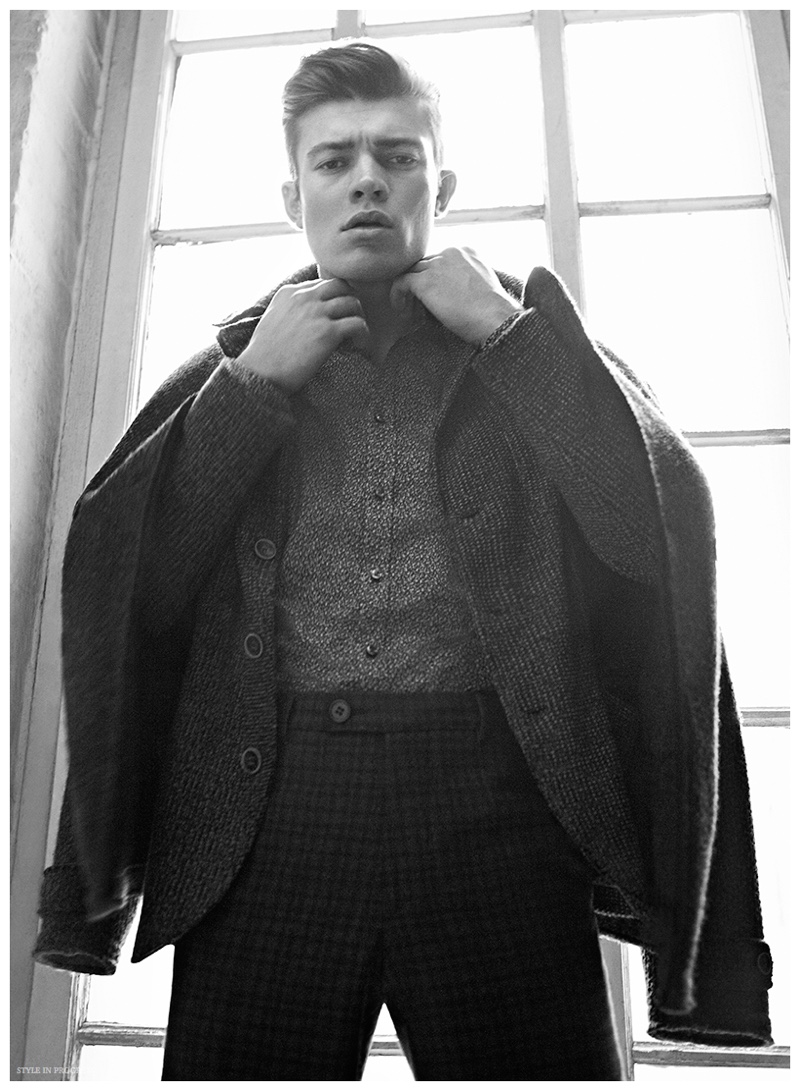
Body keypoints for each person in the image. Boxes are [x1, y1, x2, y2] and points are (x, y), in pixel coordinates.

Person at [34, 42, 772, 1081]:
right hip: (266, 819)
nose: (367, 180)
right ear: (293, 196)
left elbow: (649, 530)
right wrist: (250, 392)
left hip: (500, 815)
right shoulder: (233, 366)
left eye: (397, 155)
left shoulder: (527, 341)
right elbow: (132, 587)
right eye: (333, 160)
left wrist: (512, 336)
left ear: (441, 185)